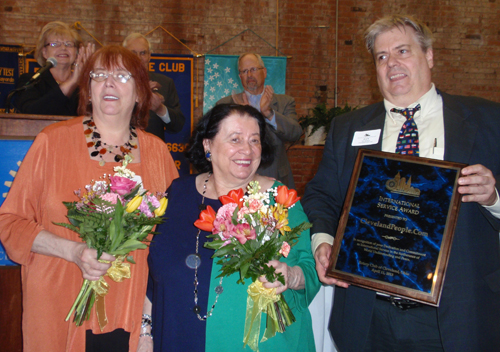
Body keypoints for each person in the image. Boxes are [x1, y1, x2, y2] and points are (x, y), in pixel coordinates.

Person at [302, 14, 500, 352]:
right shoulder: (348, 128)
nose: (391, 63)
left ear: (430, 56)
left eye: (403, 51)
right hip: (369, 318)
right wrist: (322, 241)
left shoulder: (487, 119)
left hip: (458, 316)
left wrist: (493, 197)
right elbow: (321, 196)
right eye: (381, 56)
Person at [0, 45, 179, 351]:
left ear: (140, 94)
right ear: (88, 90)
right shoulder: (52, 142)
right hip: (59, 304)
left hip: (129, 307)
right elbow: (10, 223)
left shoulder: (157, 154)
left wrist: (148, 327)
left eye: (122, 76)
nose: (109, 82)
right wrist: (72, 251)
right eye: (99, 75)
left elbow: (170, 245)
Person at [142, 104, 320, 351]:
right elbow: (156, 273)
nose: (247, 150)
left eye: (254, 140)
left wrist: (290, 276)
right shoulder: (179, 193)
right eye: (235, 139)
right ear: (208, 145)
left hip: (257, 343)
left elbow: (310, 272)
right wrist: (145, 333)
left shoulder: (279, 198)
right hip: (177, 336)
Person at [216, 53, 302, 188]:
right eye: (244, 71)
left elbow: (295, 133)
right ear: (240, 77)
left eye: (253, 69)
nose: (249, 74)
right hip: (235, 181)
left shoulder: (284, 102)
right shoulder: (225, 104)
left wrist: (268, 113)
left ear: (265, 72)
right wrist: (241, 117)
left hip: (275, 179)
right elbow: (218, 143)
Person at [14, 21, 94, 115]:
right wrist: (72, 82)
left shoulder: (85, 84)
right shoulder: (31, 81)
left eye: (69, 44)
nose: (63, 48)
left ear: (77, 52)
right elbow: (30, 112)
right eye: (55, 44)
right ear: (44, 52)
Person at [123, 33, 185, 140]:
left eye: (143, 53)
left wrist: (160, 109)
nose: (138, 58)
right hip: (118, 150)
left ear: (149, 56)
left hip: (152, 152)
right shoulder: (113, 83)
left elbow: (178, 126)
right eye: (133, 53)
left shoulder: (165, 83)